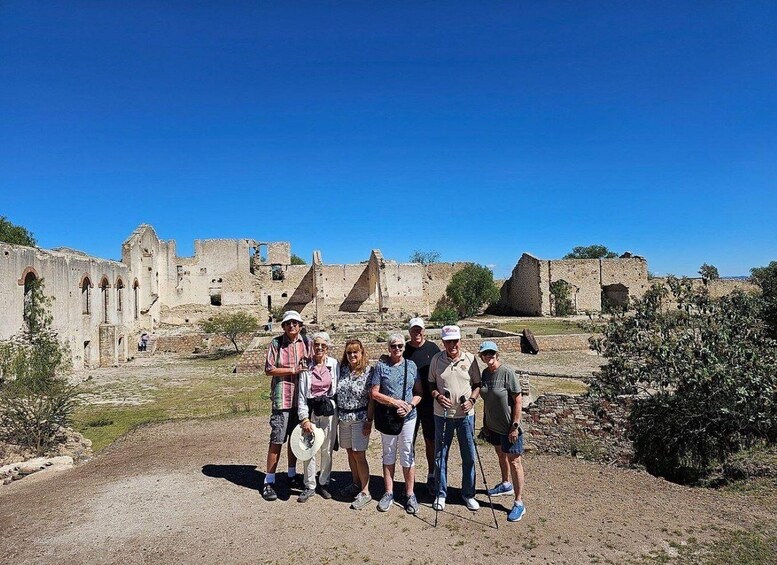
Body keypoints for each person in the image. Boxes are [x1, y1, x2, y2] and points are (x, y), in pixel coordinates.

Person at [428, 325, 481, 512]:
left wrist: (472, 400)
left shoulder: (470, 359)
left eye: (455, 340)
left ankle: (468, 494)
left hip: (465, 415)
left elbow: (477, 384)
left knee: (469, 456)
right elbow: (431, 384)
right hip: (442, 415)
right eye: (449, 341)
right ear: (443, 342)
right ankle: (441, 494)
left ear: (460, 341)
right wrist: (437, 396)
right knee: (441, 456)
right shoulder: (436, 359)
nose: (453, 344)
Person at [370, 333, 423, 514]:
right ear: (388, 348)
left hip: (408, 416)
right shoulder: (381, 367)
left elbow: (418, 393)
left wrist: (409, 406)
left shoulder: (411, 366)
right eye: (393, 346)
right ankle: (388, 492)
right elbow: (374, 393)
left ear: (404, 347)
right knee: (389, 453)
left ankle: (409, 493)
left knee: (407, 453)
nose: (397, 349)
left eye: (400, 346)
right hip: (388, 416)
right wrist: (394, 402)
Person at [262, 310, 311, 501]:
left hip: (300, 400)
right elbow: (269, 369)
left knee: (294, 439)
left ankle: (291, 475)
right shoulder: (276, 343)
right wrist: (292, 369)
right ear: (283, 326)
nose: (292, 326)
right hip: (282, 399)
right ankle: (269, 481)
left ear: (300, 326)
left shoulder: (306, 342)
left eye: (295, 323)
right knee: (277, 439)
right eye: (288, 323)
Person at [478, 341, 526, 522]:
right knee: (500, 454)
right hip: (493, 426)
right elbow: (488, 401)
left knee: (515, 462)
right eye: (485, 354)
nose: (489, 356)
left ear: (497, 354)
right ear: (481, 356)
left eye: (491, 353)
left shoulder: (507, 372)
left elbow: (518, 400)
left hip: (509, 428)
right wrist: (485, 423)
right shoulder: (485, 374)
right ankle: (506, 484)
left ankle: (519, 503)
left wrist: (514, 426)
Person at [297, 331, 339, 503]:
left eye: (323, 345)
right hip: (312, 410)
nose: (319, 348)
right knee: (309, 448)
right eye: (316, 345)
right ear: (312, 347)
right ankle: (309, 485)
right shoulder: (306, 366)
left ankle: (323, 482)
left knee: (327, 448)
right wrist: (304, 418)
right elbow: (301, 394)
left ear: (327, 347)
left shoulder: (333, 364)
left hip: (328, 410)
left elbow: (336, 388)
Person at [403, 317, 440, 495]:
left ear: (423, 331)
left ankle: (432, 475)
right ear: (409, 332)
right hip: (409, 403)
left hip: (429, 403)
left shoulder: (433, 349)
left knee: (430, 440)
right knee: (408, 442)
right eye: (413, 330)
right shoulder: (404, 349)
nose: (416, 333)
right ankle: (409, 482)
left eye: (419, 330)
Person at [337, 338, 374, 510]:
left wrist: (369, 420)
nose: (352, 355)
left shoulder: (368, 371)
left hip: (360, 418)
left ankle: (366, 491)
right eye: (349, 352)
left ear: (361, 353)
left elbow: (372, 398)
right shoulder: (342, 370)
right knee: (350, 453)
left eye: (355, 352)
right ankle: (356, 483)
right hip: (344, 418)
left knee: (359, 454)